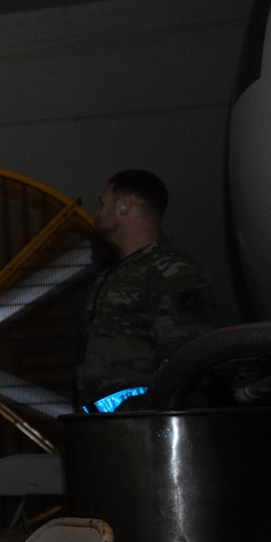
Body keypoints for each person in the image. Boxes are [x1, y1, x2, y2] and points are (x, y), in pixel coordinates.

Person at [76, 169, 217, 412]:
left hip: (147, 428)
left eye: (102, 203)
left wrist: (149, 412)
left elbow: (188, 358)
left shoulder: (171, 271)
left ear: (124, 206)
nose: (95, 214)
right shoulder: (113, 275)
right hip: (109, 427)